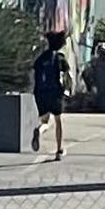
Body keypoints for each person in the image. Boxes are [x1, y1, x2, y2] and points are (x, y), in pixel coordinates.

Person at [32, 31, 72, 161]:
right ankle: (59, 150)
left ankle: (40, 130)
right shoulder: (60, 58)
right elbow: (68, 76)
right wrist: (68, 90)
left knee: (45, 121)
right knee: (58, 120)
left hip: (41, 92)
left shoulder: (41, 58)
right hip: (55, 93)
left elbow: (34, 74)